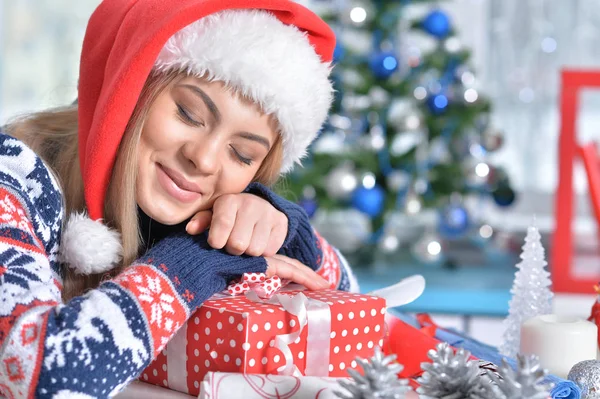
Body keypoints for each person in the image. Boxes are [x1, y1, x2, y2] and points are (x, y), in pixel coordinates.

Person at [0, 1, 359, 398]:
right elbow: (36, 379)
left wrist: (284, 230)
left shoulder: (206, 206)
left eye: (242, 154)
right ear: (132, 87)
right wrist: (198, 258)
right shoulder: (13, 174)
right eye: (188, 114)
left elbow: (354, 306)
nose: (203, 159)